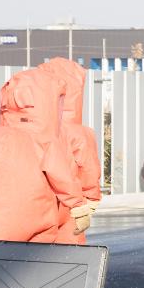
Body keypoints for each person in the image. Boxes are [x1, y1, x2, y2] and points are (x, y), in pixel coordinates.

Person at [0, 68, 92, 251]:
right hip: (30, 231)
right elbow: (63, 179)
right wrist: (80, 208)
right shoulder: (42, 141)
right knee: (35, 261)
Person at [39, 57, 103, 244]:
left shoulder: (30, 131)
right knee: (68, 258)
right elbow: (88, 170)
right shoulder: (79, 133)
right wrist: (89, 203)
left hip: (36, 203)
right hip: (69, 205)